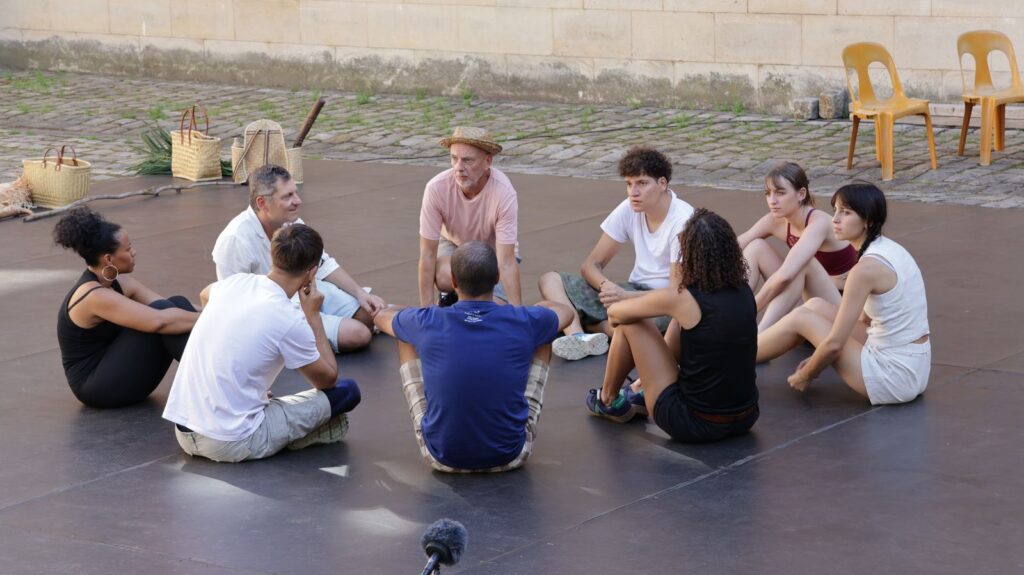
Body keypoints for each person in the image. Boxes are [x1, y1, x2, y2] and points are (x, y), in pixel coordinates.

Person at [164, 224, 361, 462]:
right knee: (347, 391)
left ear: (273, 255)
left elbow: (205, 294)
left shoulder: (233, 283)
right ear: (312, 272)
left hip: (184, 430)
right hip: (232, 441)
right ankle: (295, 437)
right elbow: (327, 380)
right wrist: (313, 316)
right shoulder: (289, 318)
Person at [374, 241, 573, 472]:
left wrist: (412, 314)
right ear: (497, 278)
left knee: (405, 335)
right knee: (545, 329)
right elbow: (565, 312)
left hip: (441, 457)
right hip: (510, 456)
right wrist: (536, 310)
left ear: (453, 282)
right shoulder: (523, 319)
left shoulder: (428, 320)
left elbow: (381, 317)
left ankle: (438, 424)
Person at [585, 208, 759, 443]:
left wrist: (632, 308)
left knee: (633, 322)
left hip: (694, 423)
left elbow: (616, 314)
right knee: (680, 322)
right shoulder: (744, 291)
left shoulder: (683, 299)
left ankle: (607, 399)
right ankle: (640, 388)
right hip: (746, 416)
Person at [756, 182, 930, 405]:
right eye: (835, 210)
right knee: (815, 306)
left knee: (801, 317)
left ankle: (735, 356)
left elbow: (834, 345)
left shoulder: (864, 270)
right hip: (916, 367)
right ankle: (744, 350)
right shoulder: (889, 249)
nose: (835, 219)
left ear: (868, 221)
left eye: (846, 213)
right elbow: (867, 321)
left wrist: (807, 373)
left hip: (892, 379)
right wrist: (819, 351)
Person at [538, 146, 694, 361]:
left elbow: (675, 294)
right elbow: (591, 265)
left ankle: (595, 326)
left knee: (631, 324)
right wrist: (607, 287)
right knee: (550, 280)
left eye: (642, 183)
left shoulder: (683, 221)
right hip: (629, 291)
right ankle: (578, 336)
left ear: (662, 183)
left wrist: (625, 297)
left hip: (663, 303)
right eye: (629, 184)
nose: (633, 192)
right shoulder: (629, 207)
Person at [212, 164, 384, 352]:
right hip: (275, 311)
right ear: (262, 203)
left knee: (371, 313)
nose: (298, 201)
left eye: (295, 193)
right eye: (288, 196)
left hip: (307, 291)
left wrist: (359, 293)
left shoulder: (291, 223)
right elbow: (234, 302)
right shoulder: (234, 240)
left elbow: (323, 263)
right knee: (359, 334)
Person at [54, 207, 198, 408]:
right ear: (108, 259)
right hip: (98, 387)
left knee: (177, 303)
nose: (134, 252)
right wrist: (216, 316)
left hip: (119, 372)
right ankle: (215, 378)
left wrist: (220, 308)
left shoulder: (121, 283)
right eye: (128, 249)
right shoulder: (93, 296)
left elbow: (171, 308)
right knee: (164, 315)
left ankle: (216, 375)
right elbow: (159, 321)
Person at [737, 162, 857, 332]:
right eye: (768, 193)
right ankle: (733, 308)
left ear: (801, 194)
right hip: (805, 298)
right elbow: (734, 246)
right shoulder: (775, 220)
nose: (772, 201)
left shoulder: (819, 222)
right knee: (756, 247)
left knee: (802, 264)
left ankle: (756, 334)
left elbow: (785, 276)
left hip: (839, 307)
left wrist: (749, 309)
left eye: (780, 193)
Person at [418, 126, 521, 307]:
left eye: (467, 160)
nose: (459, 168)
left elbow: (506, 262)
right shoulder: (436, 188)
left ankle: (459, 301)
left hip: (492, 254)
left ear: (487, 161)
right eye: (454, 158)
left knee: (494, 309)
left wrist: (517, 315)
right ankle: (453, 297)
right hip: (453, 245)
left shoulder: (504, 193)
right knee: (443, 276)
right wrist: (426, 312)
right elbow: (427, 254)